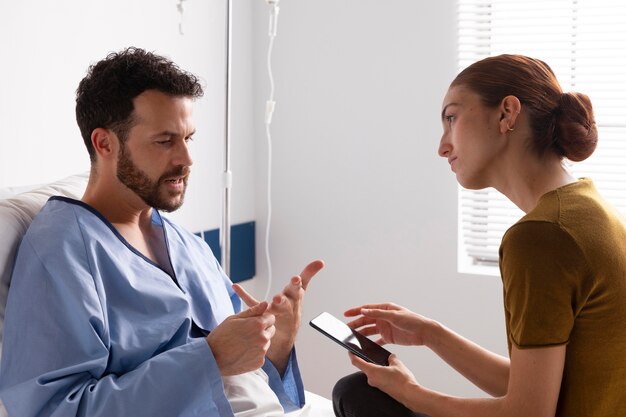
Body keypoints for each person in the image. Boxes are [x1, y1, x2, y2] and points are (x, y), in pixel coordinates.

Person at [0, 47, 325, 416]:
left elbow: (243, 376)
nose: (187, 160)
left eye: (189, 138)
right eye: (165, 141)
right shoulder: (62, 251)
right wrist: (210, 358)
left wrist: (277, 345)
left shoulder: (187, 245)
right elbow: (54, 409)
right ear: (104, 143)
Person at [332, 54, 626, 417]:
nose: (442, 146)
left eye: (451, 118)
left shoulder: (540, 236)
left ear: (507, 113)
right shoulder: (589, 209)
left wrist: (409, 393)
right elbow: (538, 389)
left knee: (357, 394)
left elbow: (528, 413)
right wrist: (431, 334)